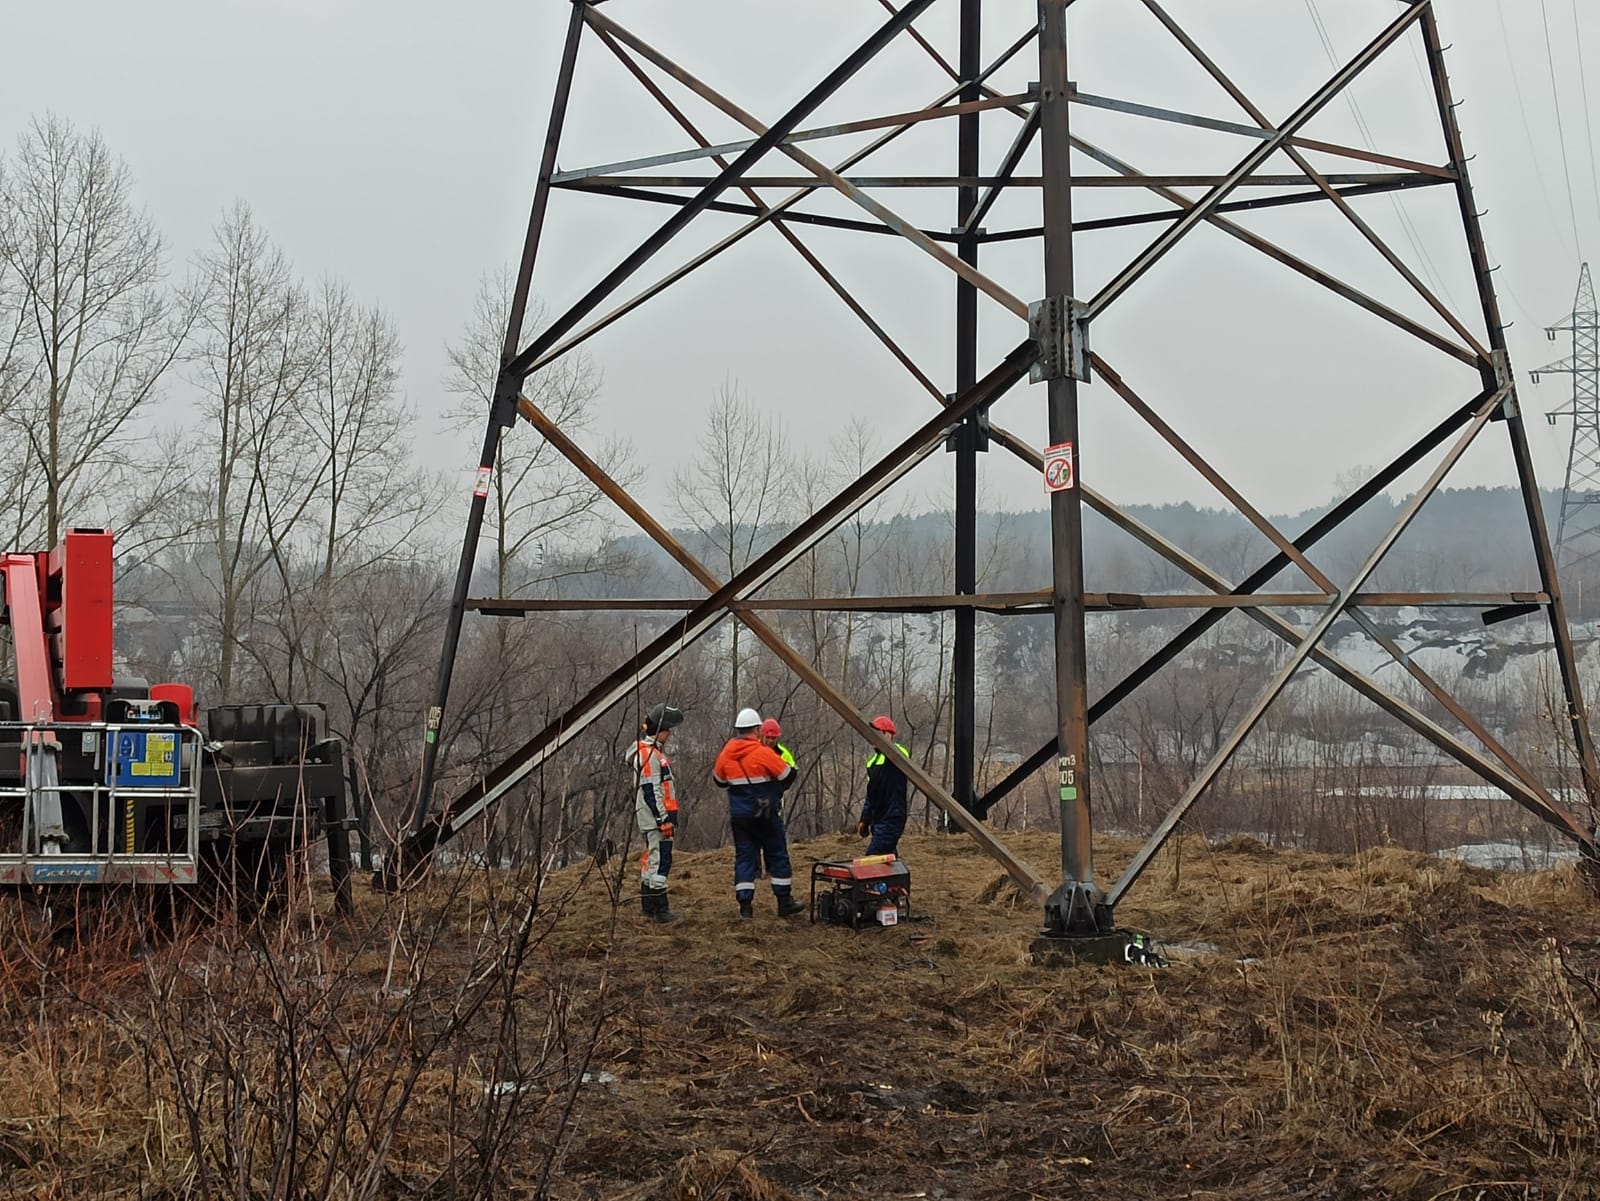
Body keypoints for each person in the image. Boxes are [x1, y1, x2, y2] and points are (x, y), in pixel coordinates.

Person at [713, 707, 803, 919]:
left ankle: (745, 906)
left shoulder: (726, 753)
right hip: (766, 814)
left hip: (740, 817)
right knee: (777, 853)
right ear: (756, 729)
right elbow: (787, 774)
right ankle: (784, 902)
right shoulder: (763, 753)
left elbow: (719, 780)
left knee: (744, 857)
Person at [630, 703, 684, 923]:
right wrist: (663, 819)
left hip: (653, 817)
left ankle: (649, 905)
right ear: (659, 730)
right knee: (661, 861)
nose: (669, 734)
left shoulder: (649, 753)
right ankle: (660, 908)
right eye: (667, 730)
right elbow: (652, 790)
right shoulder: (649, 755)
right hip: (656, 818)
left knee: (652, 859)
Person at [857, 714, 911, 857]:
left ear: (888, 735)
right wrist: (865, 820)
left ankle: (883, 880)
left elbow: (902, 754)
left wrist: (885, 743)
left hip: (893, 817)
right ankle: (895, 879)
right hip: (878, 819)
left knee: (874, 857)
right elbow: (871, 795)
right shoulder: (872, 763)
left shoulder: (898, 753)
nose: (874, 738)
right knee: (889, 860)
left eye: (878, 733)